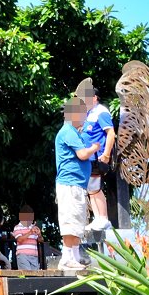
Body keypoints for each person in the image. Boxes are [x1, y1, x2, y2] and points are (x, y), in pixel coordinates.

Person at [55, 96, 102, 270]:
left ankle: (74, 256)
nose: (84, 117)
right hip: (70, 184)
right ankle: (66, 258)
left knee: (78, 222)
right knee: (70, 220)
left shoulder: (74, 132)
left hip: (77, 185)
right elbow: (82, 154)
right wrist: (94, 148)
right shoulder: (67, 131)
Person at [77, 79, 116, 231]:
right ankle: (98, 218)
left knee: (95, 188)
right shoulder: (89, 113)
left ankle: (103, 218)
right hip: (88, 158)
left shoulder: (101, 112)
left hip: (98, 156)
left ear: (94, 98)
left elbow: (111, 133)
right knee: (91, 188)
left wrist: (106, 154)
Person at [12, 205, 43, 271]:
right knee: (27, 275)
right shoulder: (17, 227)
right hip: (23, 255)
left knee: (35, 276)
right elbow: (19, 239)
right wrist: (30, 232)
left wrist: (39, 234)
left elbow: (41, 240)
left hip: (34, 256)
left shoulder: (33, 227)